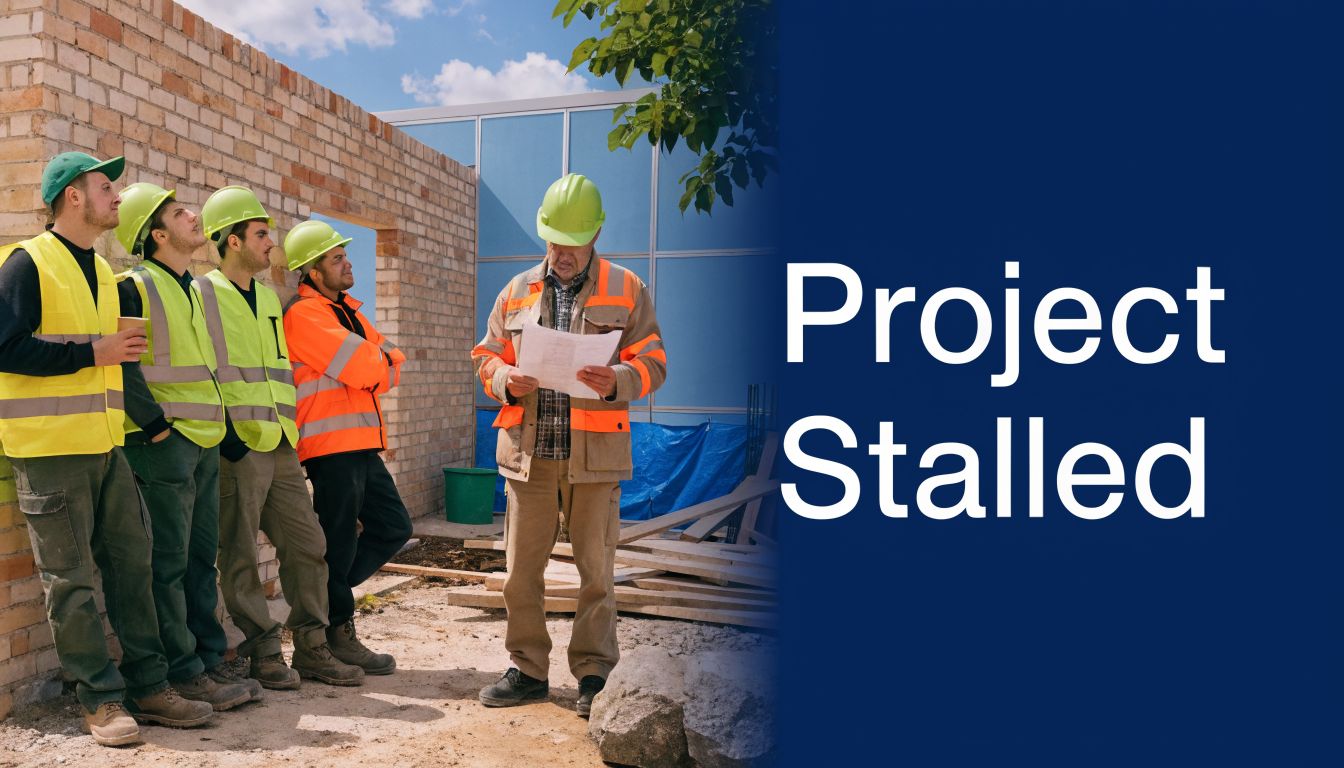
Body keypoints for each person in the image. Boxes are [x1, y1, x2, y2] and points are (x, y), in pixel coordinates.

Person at [0, 153, 213, 745]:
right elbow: (5, 348)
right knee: (70, 582)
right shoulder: (27, 263)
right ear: (73, 196)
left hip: (104, 445)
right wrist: (92, 353)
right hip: (48, 452)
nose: (116, 196)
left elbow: (106, 356)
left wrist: (113, 362)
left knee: (131, 565)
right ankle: (100, 700)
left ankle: (150, 686)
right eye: (105, 187)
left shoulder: (98, 266)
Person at [471, 173, 669, 717]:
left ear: (596, 233)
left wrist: (621, 380)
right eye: (553, 241)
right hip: (528, 456)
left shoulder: (627, 288)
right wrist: (504, 380)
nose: (560, 253)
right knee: (519, 574)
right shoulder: (515, 291)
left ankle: (594, 673)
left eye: (571, 243)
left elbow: (655, 360)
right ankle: (528, 669)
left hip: (597, 459)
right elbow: (486, 356)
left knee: (596, 573)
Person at [195, 186, 363, 689]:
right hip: (238, 445)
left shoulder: (269, 298)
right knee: (240, 552)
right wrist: (227, 434)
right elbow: (203, 367)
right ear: (231, 240)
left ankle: (311, 646)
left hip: (281, 443)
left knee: (310, 545)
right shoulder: (203, 294)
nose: (272, 243)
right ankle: (263, 651)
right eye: (262, 233)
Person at [111, 182, 259, 710]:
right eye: (180, 213)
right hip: (164, 445)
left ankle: (204, 663)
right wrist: (155, 428)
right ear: (156, 234)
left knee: (200, 561)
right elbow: (123, 368)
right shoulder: (135, 286)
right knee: (167, 563)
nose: (195, 216)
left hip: (202, 441)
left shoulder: (192, 286)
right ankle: (177, 671)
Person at [281, 220, 412, 676]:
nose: (347, 263)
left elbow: (393, 362)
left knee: (394, 527)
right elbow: (367, 365)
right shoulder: (304, 314)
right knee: (335, 541)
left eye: (344, 255)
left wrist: (376, 361)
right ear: (313, 272)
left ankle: (325, 592)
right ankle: (336, 633)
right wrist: (375, 361)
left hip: (360, 443)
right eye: (336, 259)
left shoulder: (350, 313)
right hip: (329, 446)